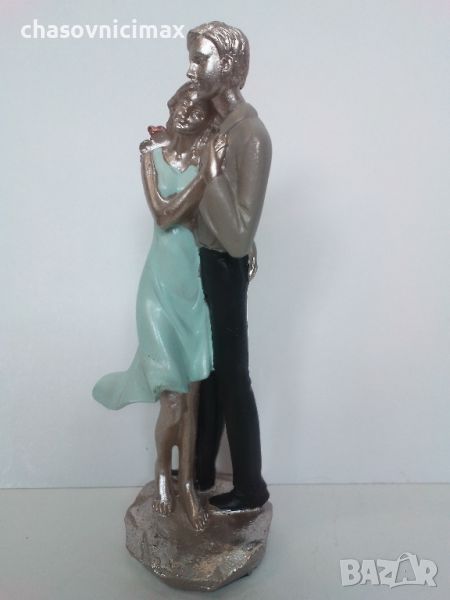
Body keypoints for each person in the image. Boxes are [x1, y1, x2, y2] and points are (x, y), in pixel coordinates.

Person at [93, 84, 225, 530]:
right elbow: (164, 215)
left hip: (194, 289)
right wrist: (204, 178)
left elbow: (220, 218)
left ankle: (186, 483)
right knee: (172, 401)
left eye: (198, 109)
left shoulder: (210, 159)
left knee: (192, 399)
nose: (188, 112)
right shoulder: (151, 156)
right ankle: (162, 475)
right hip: (158, 291)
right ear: (171, 108)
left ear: (207, 120)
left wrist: (247, 246)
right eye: (182, 104)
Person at [186, 22, 272, 511]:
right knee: (209, 372)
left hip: (223, 265)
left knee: (233, 375)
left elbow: (238, 236)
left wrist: (210, 169)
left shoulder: (251, 136)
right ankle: (201, 470)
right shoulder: (217, 128)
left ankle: (250, 486)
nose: (192, 69)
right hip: (203, 260)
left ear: (231, 65)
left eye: (201, 59)